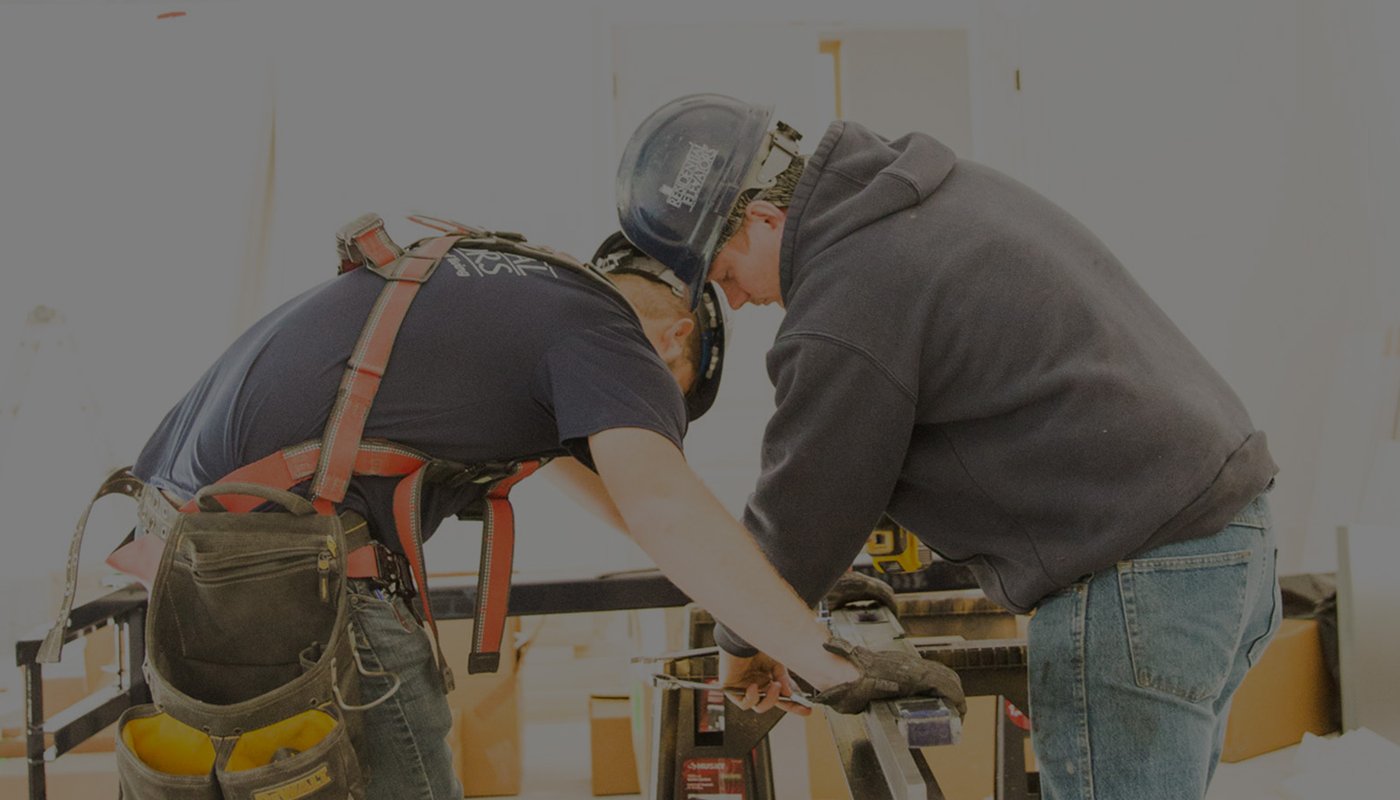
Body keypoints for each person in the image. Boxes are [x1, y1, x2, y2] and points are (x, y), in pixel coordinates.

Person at [130, 221, 957, 799]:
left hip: (196, 563)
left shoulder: (517, 295)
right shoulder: (611, 338)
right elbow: (662, 504)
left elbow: (638, 512)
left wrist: (773, 609)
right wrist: (831, 664)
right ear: (676, 339)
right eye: (664, 402)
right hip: (297, 576)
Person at [615, 94, 1282, 800]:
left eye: (725, 275)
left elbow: (808, 503)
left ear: (763, 219)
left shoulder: (848, 296)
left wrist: (746, 637)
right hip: (1228, 541)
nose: (737, 300)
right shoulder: (933, 192)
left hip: (1136, 578)